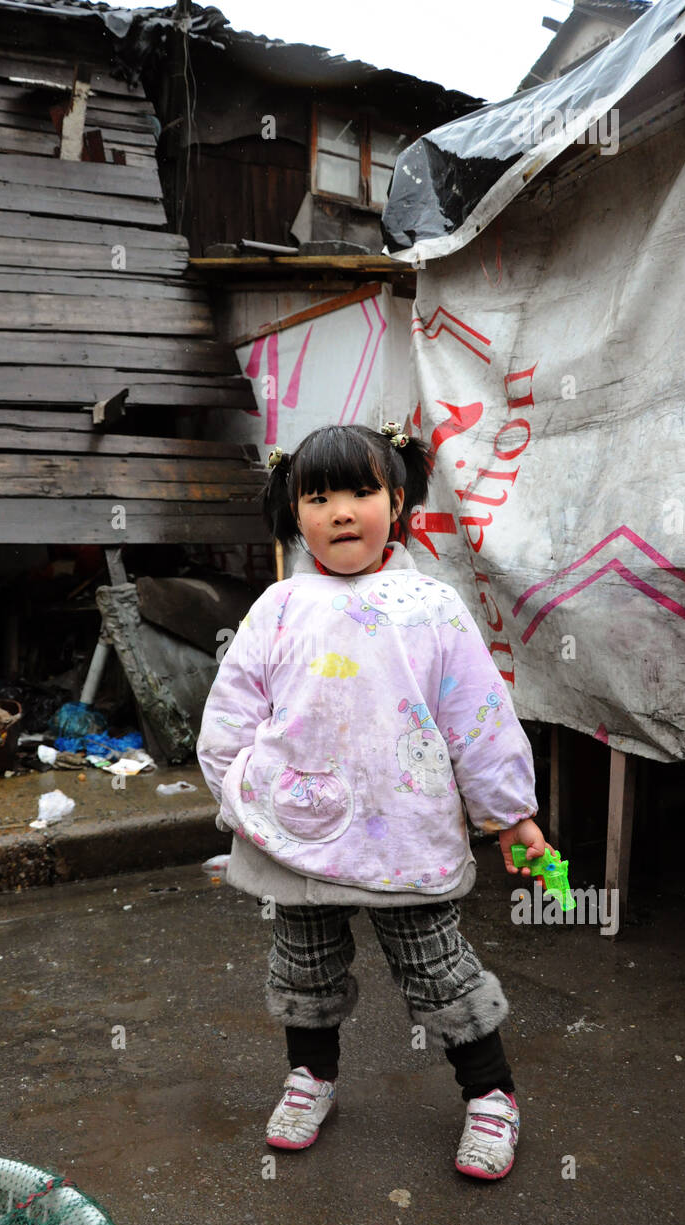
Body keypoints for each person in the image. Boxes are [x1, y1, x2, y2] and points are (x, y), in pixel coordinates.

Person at [196, 421, 548, 1180]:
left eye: (360, 491)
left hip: (405, 833)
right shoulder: (277, 608)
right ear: (294, 513)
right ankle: (310, 1078)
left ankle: (490, 1094)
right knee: (304, 967)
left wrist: (510, 813)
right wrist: (238, 795)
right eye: (318, 496)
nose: (341, 511)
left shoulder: (432, 607)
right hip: (295, 826)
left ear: (397, 499)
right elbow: (229, 714)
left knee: (437, 968)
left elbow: (478, 717)